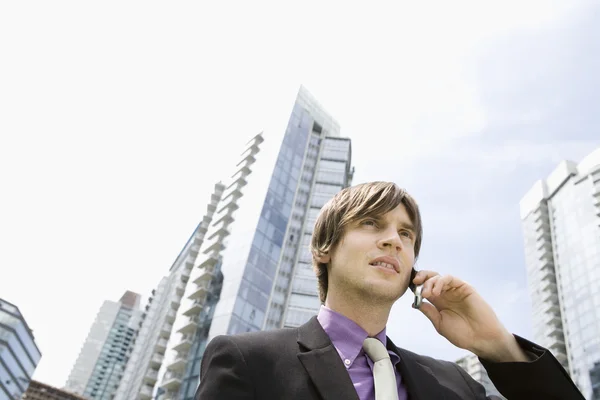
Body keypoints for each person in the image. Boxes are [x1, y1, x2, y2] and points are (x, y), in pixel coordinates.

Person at [195, 181, 583, 399]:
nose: (393, 241)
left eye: (406, 233)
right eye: (370, 224)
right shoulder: (248, 360)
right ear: (324, 248)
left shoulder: (457, 385)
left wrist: (498, 346)